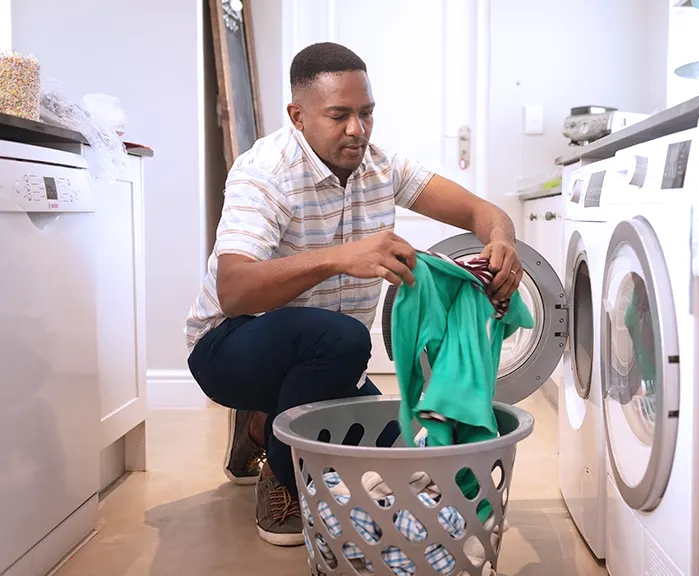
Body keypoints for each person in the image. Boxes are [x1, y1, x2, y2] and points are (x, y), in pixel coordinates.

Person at [184, 42, 524, 546]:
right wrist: (342, 257)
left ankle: (261, 426)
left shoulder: (382, 167)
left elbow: (482, 211)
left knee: (412, 454)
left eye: (366, 114)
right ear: (297, 116)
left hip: (326, 361)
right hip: (228, 347)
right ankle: (281, 473)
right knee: (341, 338)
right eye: (339, 115)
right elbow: (234, 290)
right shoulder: (265, 172)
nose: (357, 130)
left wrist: (501, 241)